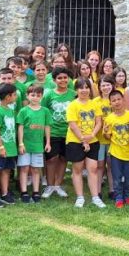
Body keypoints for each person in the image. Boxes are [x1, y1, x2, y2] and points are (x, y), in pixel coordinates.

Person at [66, 78, 104, 209]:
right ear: (76, 90)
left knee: (93, 168)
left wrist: (92, 135)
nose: (84, 90)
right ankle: (80, 197)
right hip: (75, 141)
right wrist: (83, 139)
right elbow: (72, 125)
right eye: (81, 87)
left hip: (92, 140)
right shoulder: (73, 105)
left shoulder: (95, 104)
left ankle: (95, 197)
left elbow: (99, 122)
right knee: (77, 169)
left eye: (87, 87)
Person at [41, 67, 75, 198]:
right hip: (53, 131)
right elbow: (43, 111)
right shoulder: (48, 94)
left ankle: (58, 185)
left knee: (63, 158)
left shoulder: (73, 94)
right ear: (54, 80)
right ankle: (49, 186)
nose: (63, 80)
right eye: (59, 78)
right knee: (51, 159)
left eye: (65, 77)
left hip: (69, 132)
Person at [16, 83, 51, 203]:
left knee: (36, 169)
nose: (35, 97)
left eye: (38, 95)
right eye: (33, 95)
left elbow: (47, 126)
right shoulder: (23, 111)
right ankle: (24, 191)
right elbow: (20, 127)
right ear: (27, 96)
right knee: (24, 168)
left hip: (38, 145)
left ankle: (36, 191)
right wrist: (20, 143)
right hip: (25, 145)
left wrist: (48, 142)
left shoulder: (45, 111)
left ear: (41, 97)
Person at [0, 83, 19, 207]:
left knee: (6, 170)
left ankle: (5, 193)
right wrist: (0, 147)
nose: (16, 97)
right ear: (8, 97)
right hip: (1, 148)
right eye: (15, 95)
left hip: (10, 147)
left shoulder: (10, 110)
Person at [104, 90, 129, 209]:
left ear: (123, 100)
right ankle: (118, 198)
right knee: (116, 177)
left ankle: (126, 196)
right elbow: (108, 137)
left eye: (118, 99)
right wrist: (106, 131)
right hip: (116, 152)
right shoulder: (109, 118)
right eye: (113, 100)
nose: (116, 102)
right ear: (110, 103)